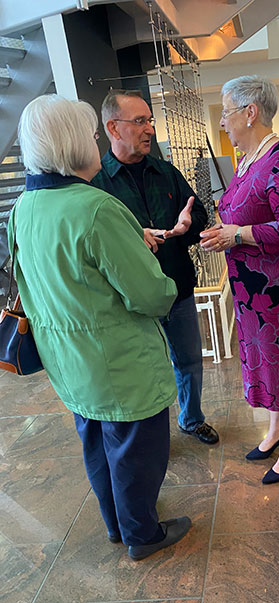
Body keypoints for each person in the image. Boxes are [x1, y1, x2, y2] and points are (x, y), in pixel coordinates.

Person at [10, 94, 191, 561]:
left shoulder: (23, 208)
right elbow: (149, 294)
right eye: (92, 134)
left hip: (68, 362)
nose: (96, 142)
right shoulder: (95, 208)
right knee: (137, 451)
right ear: (74, 143)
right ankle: (142, 535)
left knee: (97, 445)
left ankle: (117, 524)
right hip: (119, 362)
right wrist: (162, 278)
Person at [200, 75, 279, 484]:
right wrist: (221, 231)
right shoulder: (250, 160)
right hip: (253, 287)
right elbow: (244, 211)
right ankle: (275, 428)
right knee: (264, 360)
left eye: (227, 113)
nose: (223, 123)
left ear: (250, 113)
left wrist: (238, 235)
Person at [92, 90, 219, 445]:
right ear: (113, 129)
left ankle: (191, 419)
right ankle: (150, 437)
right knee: (141, 372)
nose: (149, 129)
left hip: (176, 288)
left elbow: (198, 216)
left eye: (150, 120)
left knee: (190, 360)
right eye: (140, 121)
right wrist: (136, 236)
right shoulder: (96, 184)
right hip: (128, 301)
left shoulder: (166, 172)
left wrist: (186, 227)